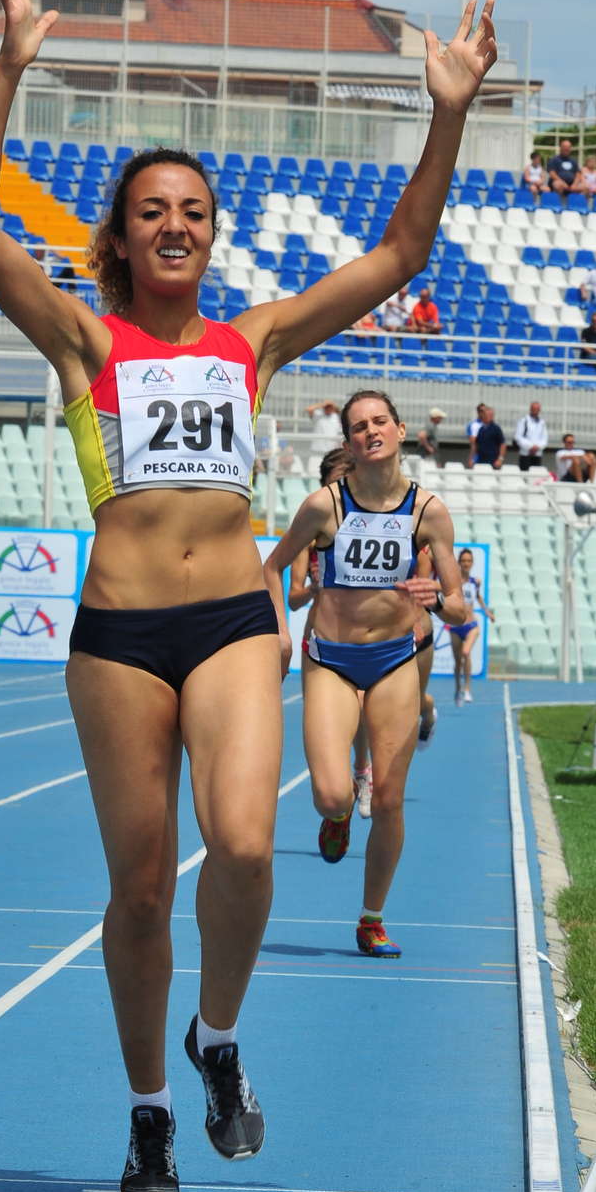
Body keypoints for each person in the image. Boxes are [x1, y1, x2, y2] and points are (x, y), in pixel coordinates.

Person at [0, 0, 496, 1192]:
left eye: (194, 209)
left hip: (237, 620)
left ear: (213, 231)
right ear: (121, 236)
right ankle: (150, 1114)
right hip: (118, 639)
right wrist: (10, 65)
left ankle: (219, 1035)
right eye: (153, 210)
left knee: (245, 847)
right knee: (140, 889)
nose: (176, 225)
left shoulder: (254, 341)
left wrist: (449, 110)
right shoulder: (85, 341)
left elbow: (402, 252)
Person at [262, 390, 464, 958]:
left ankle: (371, 919)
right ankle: (338, 815)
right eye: (358, 426)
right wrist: (281, 633)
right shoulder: (324, 505)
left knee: (391, 799)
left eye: (380, 422)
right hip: (331, 659)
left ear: (399, 430)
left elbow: (458, 606)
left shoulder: (428, 511)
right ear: (349, 443)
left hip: (395, 658)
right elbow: (272, 568)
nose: (371, 431)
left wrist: (436, 598)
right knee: (331, 795)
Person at [286, 444, 372, 818]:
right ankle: (339, 807)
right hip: (321, 643)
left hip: (366, 640)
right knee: (328, 737)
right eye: (336, 480)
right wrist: (315, 588)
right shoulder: (310, 534)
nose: (343, 487)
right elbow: (293, 599)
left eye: (348, 479)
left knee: (363, 709)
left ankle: (362, 772)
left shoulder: (375, 525)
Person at [444, 546, 492, 706]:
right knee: (458, 662)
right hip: (455, 627)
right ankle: (458, 688)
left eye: (469, 561)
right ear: (459, 562)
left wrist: (487, 612)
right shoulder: (453, 583)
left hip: (471, 625)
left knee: (466, 652)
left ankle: (467, 689)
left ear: (472, 563)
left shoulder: (475, 582)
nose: (466, 563)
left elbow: (478, 597)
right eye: (463, 561)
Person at [467, 401, 505, 468]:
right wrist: (471, 458)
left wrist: (500, 459)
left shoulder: (496, 429)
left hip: (493, 461)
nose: (485, 416)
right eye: (484, 414)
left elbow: (502, 444)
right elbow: (475, 445)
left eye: (489, 415)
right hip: (481, 461)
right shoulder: (481, 429)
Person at [514, 400, 548, 471]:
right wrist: (530, 447)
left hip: (537, 454)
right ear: (530, 409)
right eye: (534, 409)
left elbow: (544, 438)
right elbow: (518, 437)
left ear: (539, 410)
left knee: (535, 474)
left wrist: (537, 447)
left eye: (537, 409)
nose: (535, 411)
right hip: (525, 453)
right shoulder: (523, 421)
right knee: (524, 474)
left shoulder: (542, 423)